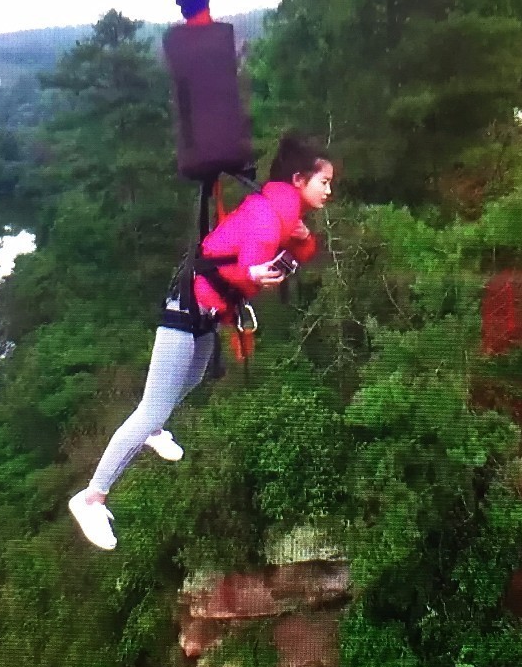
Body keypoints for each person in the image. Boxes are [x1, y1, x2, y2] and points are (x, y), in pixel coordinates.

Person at [68, 133, 335, 549]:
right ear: (300, 180)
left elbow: (292, 253)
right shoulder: (268, 215)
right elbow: (251, 261)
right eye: (324, 182)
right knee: (150, 407)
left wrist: (298, 239)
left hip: (207, 314)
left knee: (190, 382)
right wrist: (255, 275)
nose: (329, 192)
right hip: (186, 311)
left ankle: (154, 426)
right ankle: (91, 497)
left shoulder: (282, 213)